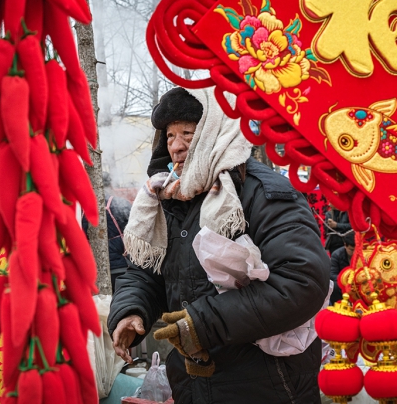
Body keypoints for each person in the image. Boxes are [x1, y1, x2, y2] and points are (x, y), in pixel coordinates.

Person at [107, 87, 331, 403]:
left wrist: (202, 323)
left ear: (216, 130)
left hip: (267, 385)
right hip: (195, 386)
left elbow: (301, 282)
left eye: (187, 133)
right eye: (169, 137)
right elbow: (147, 272)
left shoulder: (263, 193)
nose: (177, 146)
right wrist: (132, 308)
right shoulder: (172, 199)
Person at [82, 172, 132, 292]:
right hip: (123, 266)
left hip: (96, 271)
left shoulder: (83, 210)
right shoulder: (121, 204)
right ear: (110, 185)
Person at [329, 235, 355, 304]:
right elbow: (332, 274)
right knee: (334, 285)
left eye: (356, 249)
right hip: (342, 283)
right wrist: (345, 280)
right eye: (351, 250)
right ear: (345, 245)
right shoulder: (336, 255)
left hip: (356, 282)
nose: (354, 252)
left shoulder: (361, 254)